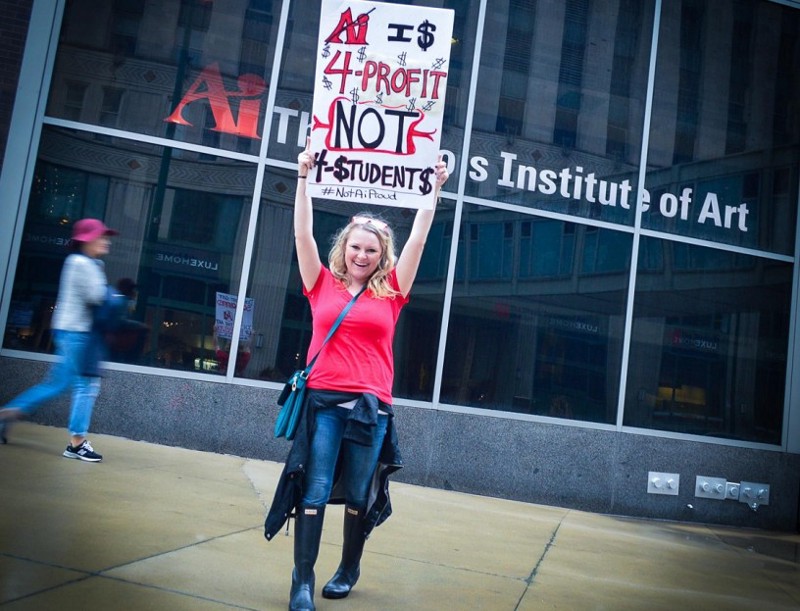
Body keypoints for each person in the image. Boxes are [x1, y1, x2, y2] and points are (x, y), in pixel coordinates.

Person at [263, 142, 448, 611]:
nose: (362, 254)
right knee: (316, 487)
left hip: (370, 407)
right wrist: (303, 176)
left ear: (381, 255)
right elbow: (302, 232)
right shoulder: (320, 282)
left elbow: (419, 241)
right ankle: (301, 581)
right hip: (324, 402)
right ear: (343, 248)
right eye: (356, 246)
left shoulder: (393, 292)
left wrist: (433, 193)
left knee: (359, 496)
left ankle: (348, 569)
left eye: (371, 249)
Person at [0, 218, 119, 461]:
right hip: (77, 333)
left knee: (58, 384)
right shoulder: (82, 263)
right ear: (87, 240)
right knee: (86, 385)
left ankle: (5, 415)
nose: (106, 241)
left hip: (71, 331)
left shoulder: (85, 263)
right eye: (102, 236)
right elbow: (97, 297)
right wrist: (115, 295)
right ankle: (77, 443)